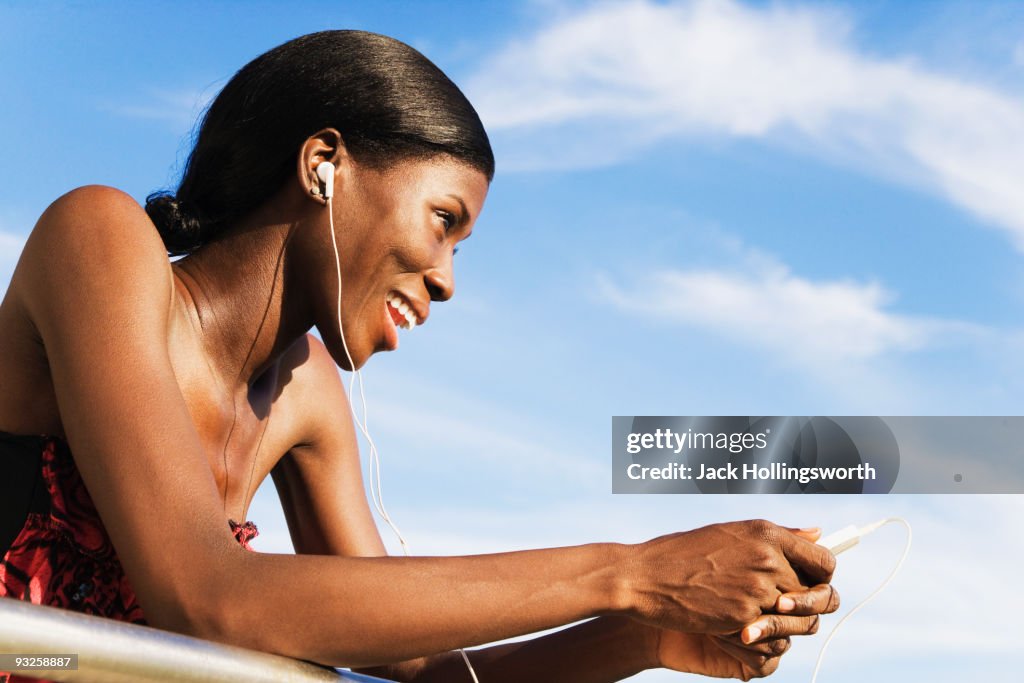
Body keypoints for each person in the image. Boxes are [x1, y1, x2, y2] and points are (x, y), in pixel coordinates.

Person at [0, 30, 839, 682]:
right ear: (325, 166)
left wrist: (650, 631)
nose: (445, 281)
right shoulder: (100, 242)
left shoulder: (306, 394)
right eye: (445, 221)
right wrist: (633, 571)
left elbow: (422, 669)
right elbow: (206, 598)